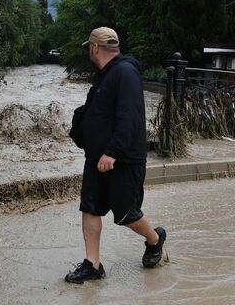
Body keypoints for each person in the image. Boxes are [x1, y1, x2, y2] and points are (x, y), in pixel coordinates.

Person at [65, 27, 167, 284]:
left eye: (89, 47)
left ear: (94, 48)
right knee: (90, 208)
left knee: (125, 214)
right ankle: (93, 264)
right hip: (96, 158)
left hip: (121, 159)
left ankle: (154, 239)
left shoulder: (125, 72)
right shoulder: (104, 75)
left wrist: (112, 152)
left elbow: (129, 116)